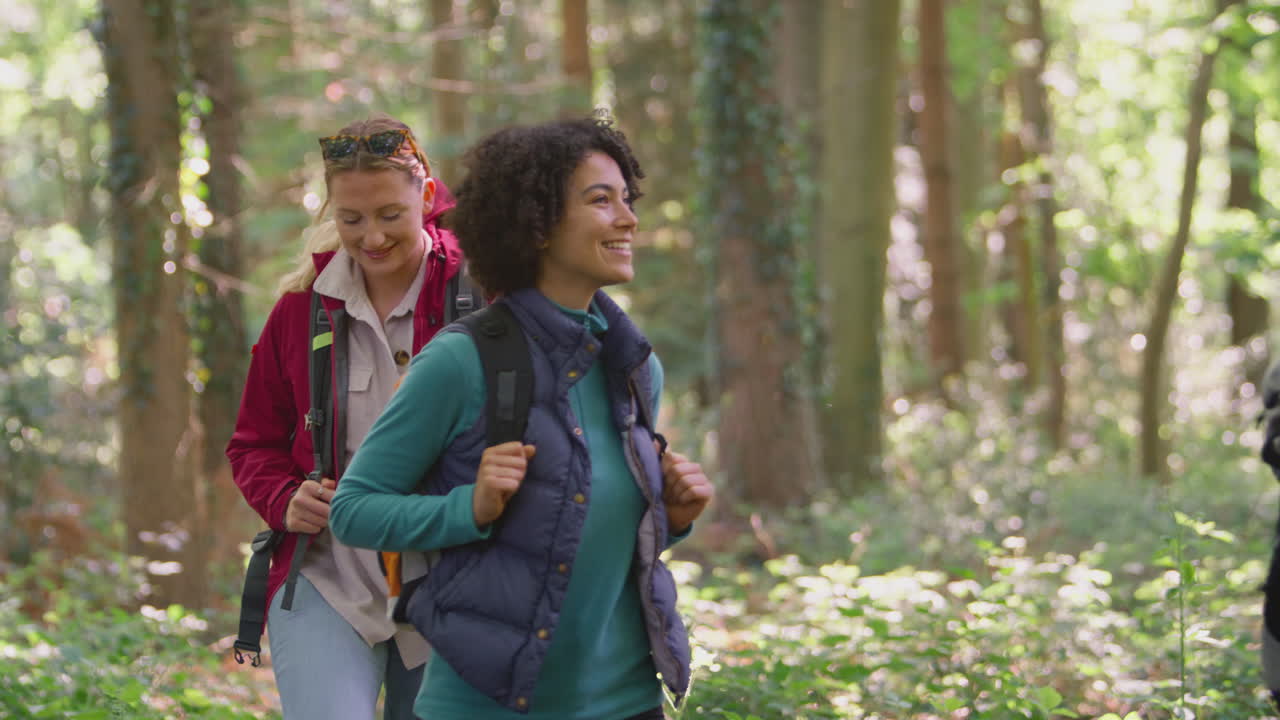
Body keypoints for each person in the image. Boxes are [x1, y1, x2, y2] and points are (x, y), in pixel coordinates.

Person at [329, 115, 714, 720]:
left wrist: (673, 517)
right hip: (487, 705)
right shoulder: (462, 361)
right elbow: (354, 509)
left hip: (629, 703)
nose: (628, 218)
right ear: (538, 225)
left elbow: (583, 534)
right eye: (600, 200)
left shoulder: (634, 367)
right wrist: (468, 508)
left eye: (625, 199)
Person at [226, 114, 464, 720]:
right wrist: (283, 498)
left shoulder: (479, 298)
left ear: (428, 197)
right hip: (329, 574)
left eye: (390, 215)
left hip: (455, 579)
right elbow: (252, 442)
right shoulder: (298, 313)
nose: (373, 237)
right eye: (351, 219)